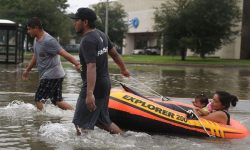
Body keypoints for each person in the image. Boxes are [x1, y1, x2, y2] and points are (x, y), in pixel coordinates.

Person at [70, 7, 130, 135]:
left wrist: (89, 93)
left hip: (94, 86)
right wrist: (123, 69)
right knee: (103, 121)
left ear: (85, 22)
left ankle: (82, 146)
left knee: (79, 123)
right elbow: (115, 54)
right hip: (104, 84)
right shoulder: (101, 35)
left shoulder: (87, 40)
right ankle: (125, 140)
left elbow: (92, 67)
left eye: (76, 20)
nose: (74, 23)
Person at [22, 17, 81, 111]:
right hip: (55, 75)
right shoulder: (36, 39)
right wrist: (27, 70)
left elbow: (63, 53)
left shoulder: (49, 41)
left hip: (51, 75)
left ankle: (42, 122)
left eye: (29, 29)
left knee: (38, 100)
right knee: (57, 101)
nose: (28, 31)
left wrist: (77, 63)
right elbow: (36, 56)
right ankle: (75, 113)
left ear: (36, 28)